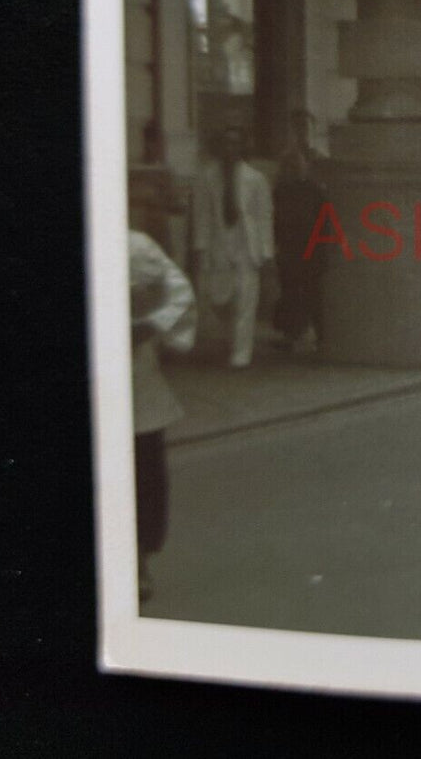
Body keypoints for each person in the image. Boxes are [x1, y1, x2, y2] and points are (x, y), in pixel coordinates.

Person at [129, 228, 196, 602]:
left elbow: (179, 293)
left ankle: (137, 562)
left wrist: (152, 324)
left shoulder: (135, 245)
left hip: (136, 381)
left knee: (142, 474)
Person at [193, 125, 274, 368]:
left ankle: (241, 353)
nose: (230, 148)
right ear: (219, 147)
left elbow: (264, 216)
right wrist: (200, 249)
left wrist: (266, 252)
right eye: (226, 143)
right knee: (219, 299)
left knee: (246, 299)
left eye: (235, 143)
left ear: (241, 147)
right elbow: (202, 215)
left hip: (247, 247)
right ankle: (231, 339)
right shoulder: (207, 177)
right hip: (219, 246)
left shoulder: (255, 179)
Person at [272, 110, 327, 352]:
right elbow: (277, 194)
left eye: (306, 127)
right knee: (291, 287)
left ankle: (321, 334)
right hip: (290, 236)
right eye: (298, 127)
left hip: (313, 235)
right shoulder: (285, 160)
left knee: (315, 288)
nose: (302, 132)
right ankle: (292, 333)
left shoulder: (320, 159)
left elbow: (325, 196)